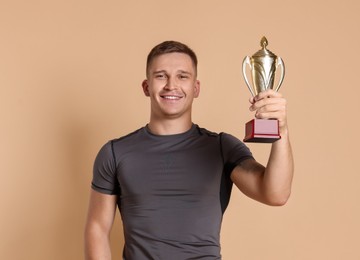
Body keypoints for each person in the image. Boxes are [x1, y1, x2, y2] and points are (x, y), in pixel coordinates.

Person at [84, 40, 294, 260]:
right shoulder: (115, 152)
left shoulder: (222, 147)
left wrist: (282, 130)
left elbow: (275, 194)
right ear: (146, 87)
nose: (171, 85)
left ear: (196, 88)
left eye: (182, 76)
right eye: (161, 76)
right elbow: (97, 228)